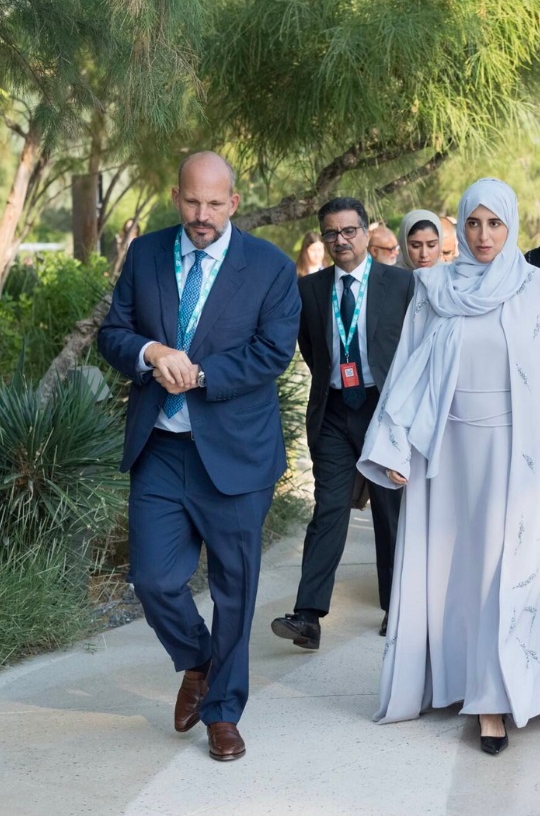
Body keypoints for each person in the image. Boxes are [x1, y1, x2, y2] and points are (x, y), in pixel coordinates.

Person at [357, 178, 540, 756]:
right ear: (459, 229)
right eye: (473, 223)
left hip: (524, 457)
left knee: (507, 569)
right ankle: (464, 680)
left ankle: (494, 701)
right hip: (450, 455)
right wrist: (396, 447)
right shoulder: (434, 288)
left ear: (512, 225)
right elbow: (409, 370)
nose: (484, 235)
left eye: (495, 223)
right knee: (458, 573)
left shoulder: (539, 289)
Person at [97, 151, 301, 762]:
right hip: (160, 444)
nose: (202, 214)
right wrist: (152, 349)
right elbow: (113, 333)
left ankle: (223, 713)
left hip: (236, 451)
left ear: (234, 202)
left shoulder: (269, 267)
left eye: (215, 203)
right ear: (175, 196)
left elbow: (273, 352)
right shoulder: (147, 253)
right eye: (192, 201)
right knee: (154, 579)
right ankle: (200, 661)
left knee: (234, 588)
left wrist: (200, 372)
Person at [270, 197, 414, 650]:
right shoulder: (310, 290)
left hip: (383, 410)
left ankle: (399, 607)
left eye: (349, 231)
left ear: (367, 233)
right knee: (329, 506)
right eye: (331, 233)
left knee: (390, 513)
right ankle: (308, 616)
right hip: (334, 411)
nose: (340, 241)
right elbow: (313, 352)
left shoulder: (401, 284)